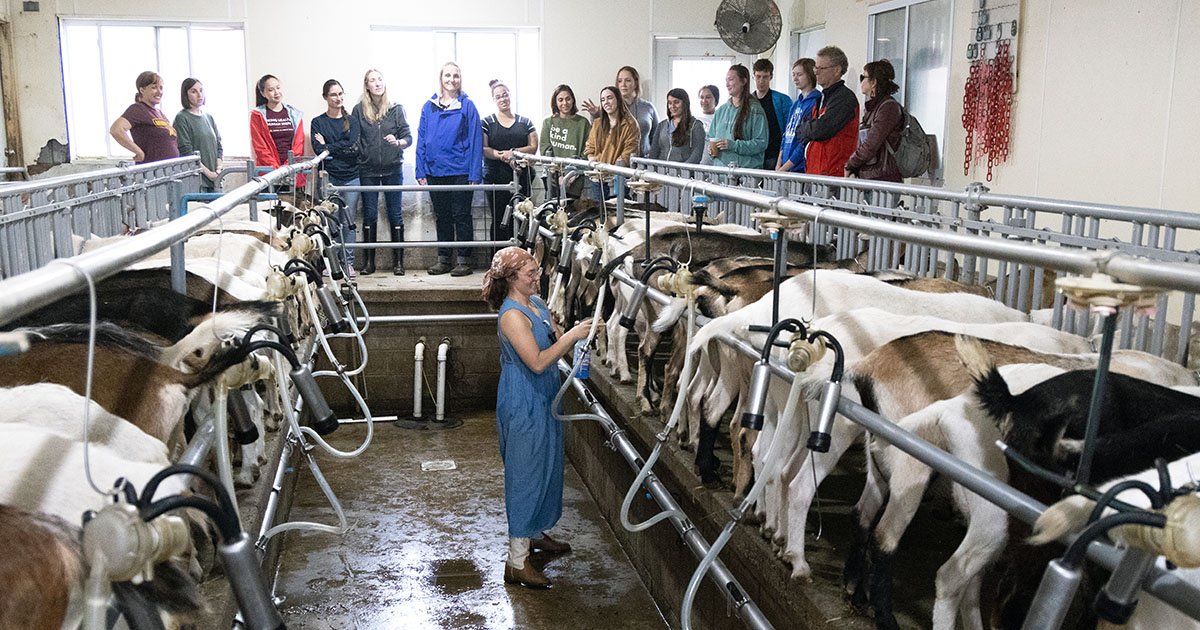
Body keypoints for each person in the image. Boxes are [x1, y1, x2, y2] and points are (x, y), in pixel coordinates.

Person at [482, 246, 597, 590]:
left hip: (544, 394)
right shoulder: (512, 315)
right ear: (510, 279)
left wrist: (579, 332)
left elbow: (553, 340)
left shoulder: (537, 304)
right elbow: (536, 361)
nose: (538, 276)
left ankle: (534, 534)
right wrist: (573, 337)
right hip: (523, 397)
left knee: (546, 466)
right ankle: (516, 562)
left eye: (536, 270)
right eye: (530, 273)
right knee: (525, 474)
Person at [415, 62, 483, 277]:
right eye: (447, 75)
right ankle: (443, 259)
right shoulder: (429, 106)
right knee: (442, 216)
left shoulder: (467, 105)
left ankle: (464, 260)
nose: (451, 79)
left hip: (461, 171)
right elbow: (422, 138)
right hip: (435, 171)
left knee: (461, 215)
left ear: (460, 79)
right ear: (441, 78)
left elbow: (476, 139)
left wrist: (475, 173)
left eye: (455, 76)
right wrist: (420, 169)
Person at [353, 69, 412, 275]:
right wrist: (362, 154)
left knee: (395, 215)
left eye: (379, 79)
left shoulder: (396, 108)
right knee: (369, 215)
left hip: (392, 169)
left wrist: (398, 143)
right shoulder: (358, 110)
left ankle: (398, 263)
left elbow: (408, 138)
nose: (377, 83)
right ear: (366, 85)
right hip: (368, 170)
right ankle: (369, 263)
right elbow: (355, 139)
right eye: (372, 80)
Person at [311, 79, 361, 277]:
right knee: (330, 222)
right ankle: (332, 264)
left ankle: (347, 263)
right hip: (328, 177)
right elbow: (317, 150)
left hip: (351, 177)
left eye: (341, 94)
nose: (338, 98)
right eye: (333, 94)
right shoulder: (318, 122)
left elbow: (355, 149)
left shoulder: (352, 120)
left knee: (348, 221)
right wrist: (339, 146)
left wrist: (329, 146)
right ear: (325, 97)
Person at [483, 79, 537, 244]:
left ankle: (520, 258)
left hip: (521, 176)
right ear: (494, 100)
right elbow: (483, 149)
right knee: (499, 217)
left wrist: (514, 153)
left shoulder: (525, 122)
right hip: (495, 178)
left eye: (505, 95)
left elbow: (533, 147)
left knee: (521, 216)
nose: (503, 99)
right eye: (498, 97)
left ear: (510, 96)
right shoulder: (486, 123)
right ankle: (499, 258)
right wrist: (502, 156)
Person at [794, 46, 859, 177]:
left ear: (836, 70)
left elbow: (822, 129)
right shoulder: (821, 98)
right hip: (814, 171)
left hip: (833, 174)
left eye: (820, 68)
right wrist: (810, 129)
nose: (816, 73)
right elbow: (799, 131)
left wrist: (810, 129)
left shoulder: (844, 98)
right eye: (815, 68)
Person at [845, 59, 904, 182]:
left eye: (863, 77)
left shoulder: (888, 108)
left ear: (873, 82)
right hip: (871, 176)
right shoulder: (873, 108)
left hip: (884, 179)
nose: (861, 82)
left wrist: (850, 164)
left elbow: (871, 144)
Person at [582, 66, 657, 158]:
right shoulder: (609, 107)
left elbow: (656, 138)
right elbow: (598, 135)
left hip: (642, 162)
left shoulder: (648, 107)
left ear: (636, 82)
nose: (623, 84)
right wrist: (595, 114)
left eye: (628, 80)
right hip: (615, 162)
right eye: (620, 81)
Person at [109, 71, 180, 164]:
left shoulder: (160, 113)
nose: (159, 92)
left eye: (161, 88)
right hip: (153, 172)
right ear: (142, 90)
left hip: (169, 170)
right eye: (154, 88)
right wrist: (138, 151)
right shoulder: (138, 109)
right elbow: (116, 130)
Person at [582, 86, 639, 200]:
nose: (606, 102)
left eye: (609, 98)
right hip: (598, 177)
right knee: (599, 213)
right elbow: (590, 147)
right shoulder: (598, 123)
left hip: (620, 177)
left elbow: (630, 151)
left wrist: (612, 168)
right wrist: (593, 160)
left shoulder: (630, 124)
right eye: (603, 100)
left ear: (618, 99)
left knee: (620, 213)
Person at [249, 74, 306, 187]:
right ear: (263, 93)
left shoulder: (295, 114)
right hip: (269, 172)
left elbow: (299, 145)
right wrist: (277, 169)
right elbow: (260, 147)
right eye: (271, 90)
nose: (276, 92)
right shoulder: (257, 115)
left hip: (292, 170)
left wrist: (287, 167)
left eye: (278, 88)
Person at [706, 65, 767, 169]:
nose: (727, 84)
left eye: (731, 80)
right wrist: (710, 150)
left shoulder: (755, 110)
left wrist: (733, 145)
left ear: (743, 81)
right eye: (726, 80)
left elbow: (761, 143)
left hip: (746, 173)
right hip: (721, 173)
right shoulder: (721, 111)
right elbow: (711, 137)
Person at [538, 84, 591, 200]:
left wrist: (571, 173)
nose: (565, 103)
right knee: (552, 214)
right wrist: (557, 174)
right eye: (560, 100)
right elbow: (545, 149)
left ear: (573, 100)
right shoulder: (548, 122)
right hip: (553, 179)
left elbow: (588, 151)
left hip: (575, 180)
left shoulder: (583, 123)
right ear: (555, 102)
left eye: (568, 99)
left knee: (572, 214)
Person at [173, 78, 222, 191]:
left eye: (201, 90)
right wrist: (209, 174)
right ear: (186, 95)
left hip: (215, 181)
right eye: (194, 91)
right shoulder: (182, 118)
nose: (199, 95)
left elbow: (219, 147)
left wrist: (218, 170)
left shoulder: (209, 117)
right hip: (197, 182)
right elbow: (187, 153)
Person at [777, 59, 821, 173]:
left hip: (799, 167)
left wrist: (784, 168)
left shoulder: (815, 101)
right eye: (793, 75)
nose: (795, 78)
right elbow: (786, 135)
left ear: (810, 75)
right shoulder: (796, 103)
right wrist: (779, 164)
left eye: (799, 74)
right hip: (785, 165)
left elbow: (804, 142)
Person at [751, 59, 793, 170]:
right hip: (753, 156)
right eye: (758, 76)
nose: (761, 81)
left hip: (775, 155)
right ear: (753, 76)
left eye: (765, 77)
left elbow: (789, 130)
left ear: (771, 77)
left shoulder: (782, 100)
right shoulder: (747, 102)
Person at [648, 88, 705, 164]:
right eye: (670, 103)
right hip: (661, 172)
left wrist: (682, 170)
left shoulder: (696, 126)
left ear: (685, 103)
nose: (672, 106)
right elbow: (654, 152)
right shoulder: (661, 125)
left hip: (684, 173)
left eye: (676, 102)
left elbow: (696, 155)